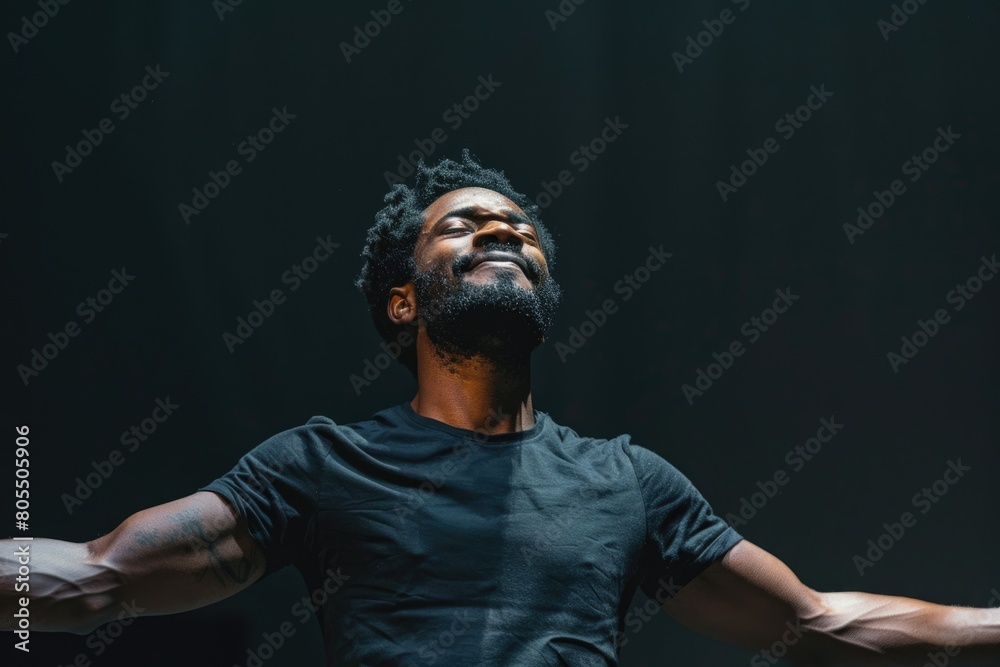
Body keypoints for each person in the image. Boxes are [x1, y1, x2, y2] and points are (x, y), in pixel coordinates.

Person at [3, 150, 999, 666]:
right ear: (405, 298)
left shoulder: (627, 482)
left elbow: (819, 625)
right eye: (465, 224)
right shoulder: (319, 466)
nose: (504, 231)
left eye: (520, 227)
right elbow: (98, 578)